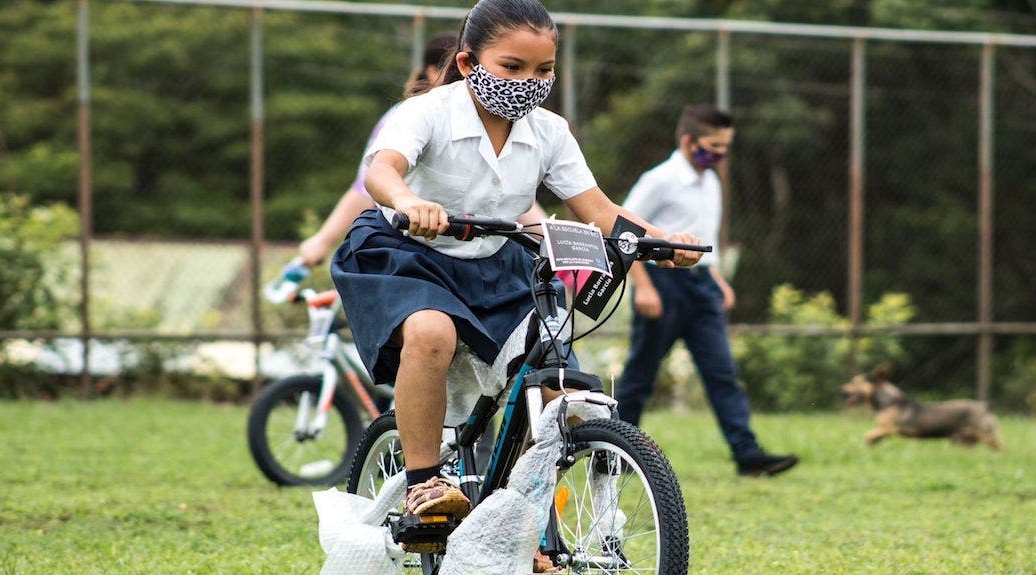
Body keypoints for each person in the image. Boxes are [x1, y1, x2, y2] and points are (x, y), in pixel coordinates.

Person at [331, 0, 703, 520]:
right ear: (467, 64)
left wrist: (662, 241)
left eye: (544, 70)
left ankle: (516, 520)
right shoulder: (425, 112)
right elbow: (381, 171)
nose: (529, 81)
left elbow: (598, 210)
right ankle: (423, 487)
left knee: (561, 389)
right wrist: (408, 201)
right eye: (513, 66)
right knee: (433, 333)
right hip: (403, 255)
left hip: (493, 263)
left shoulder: (549, 132)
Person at [614, 104, 799, 478]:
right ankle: (616, 453)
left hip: (702, 289)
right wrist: (644, 287)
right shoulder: (660, 180)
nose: (720, 154)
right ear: (688, 140)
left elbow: (704, 242)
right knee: (640, 375)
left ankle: (748, 456)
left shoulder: (711, 182)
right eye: (714, 146)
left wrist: (717, 281)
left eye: (725, 147)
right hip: (663, 284)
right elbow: (624, 232)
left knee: (722, 372)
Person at [296, 33, 459, 267]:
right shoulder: (407, 116)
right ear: (433, 72)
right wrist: (323, 240)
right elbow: (368, 184)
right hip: (408, 253)